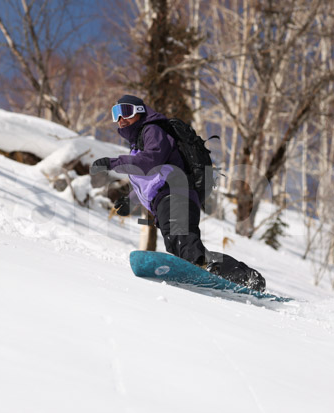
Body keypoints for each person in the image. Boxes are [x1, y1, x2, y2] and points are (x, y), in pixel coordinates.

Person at [90, 95, 266, 291]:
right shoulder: (138, 145)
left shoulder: (151, 129)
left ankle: (223, 273)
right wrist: (130, 201)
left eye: (126, 111)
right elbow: (151, 182)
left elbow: (151, 161)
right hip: (167, 199)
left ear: (139, 111)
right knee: (180, 245)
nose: (121, 118)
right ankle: (241, 276)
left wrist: (113, 163)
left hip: (175, 194)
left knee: (183, 241)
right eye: (116, 114)